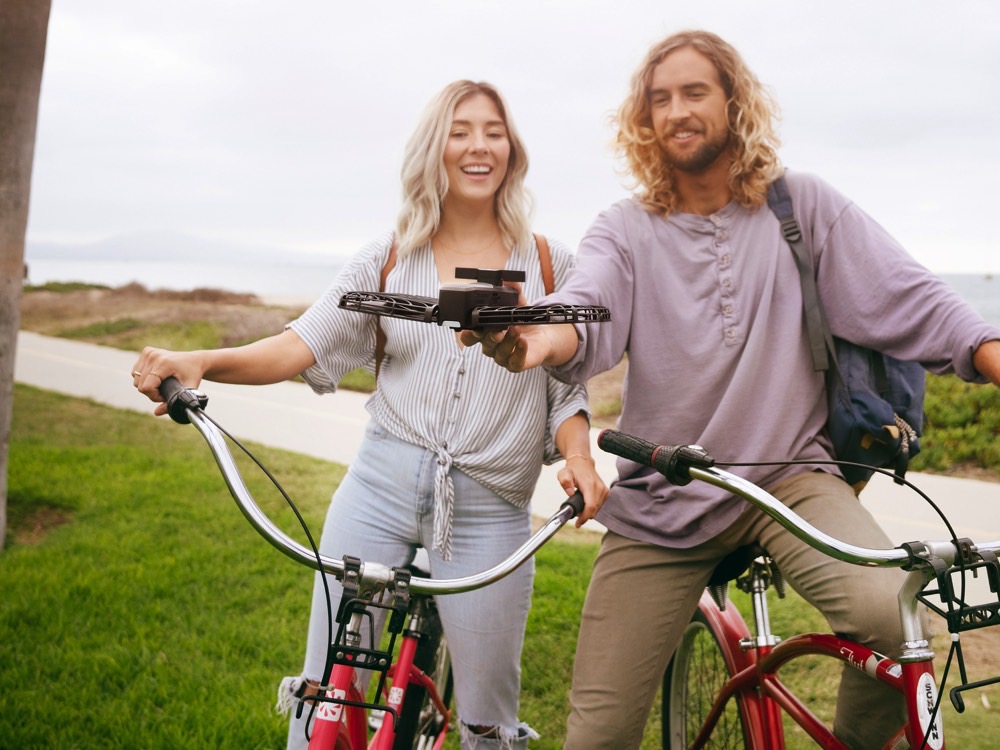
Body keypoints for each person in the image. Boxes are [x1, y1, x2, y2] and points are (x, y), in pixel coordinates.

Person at [462, 31, 1000, 749]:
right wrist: (531, 337)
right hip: (663, 497)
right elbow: (585, 312)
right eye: (660, 99)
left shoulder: (801, 208)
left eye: (695, 92)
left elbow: (911, 297)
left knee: (894, 622)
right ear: (645, 121)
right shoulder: (624, 230)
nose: (678, 111)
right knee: (598, 735)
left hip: (792, 479)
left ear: (733, 102)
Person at [131, 79, 608, 750]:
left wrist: (580, 459)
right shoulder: (387, 259)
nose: (479, 146)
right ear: (433, 148)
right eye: (460, 130)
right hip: (378, 488)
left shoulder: (554, 264)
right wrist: (203, 361)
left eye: (493, 131)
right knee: (322, 696)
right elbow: (302, 343)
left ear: (513, 149)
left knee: (487, 724)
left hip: (489, 507)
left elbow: (568, 384)